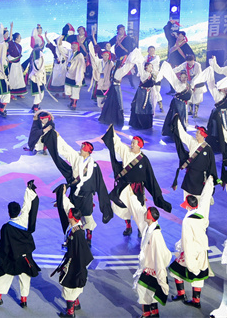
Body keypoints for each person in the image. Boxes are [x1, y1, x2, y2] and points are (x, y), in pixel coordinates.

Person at [42, 128, 113, 244]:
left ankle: (89, 233)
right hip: (75, 193)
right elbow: (66, 149)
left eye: (83, 148)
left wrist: (102, 199)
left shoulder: (94, 166)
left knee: (87, 216)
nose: (80, 149)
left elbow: (99, 183)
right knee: (73, 214)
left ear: (87, 152)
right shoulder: (76, 157)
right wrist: (58, 137)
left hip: (86, 196)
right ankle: (74, 234)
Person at [102, 126, 172, 237]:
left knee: (139, 209)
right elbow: (117, 144)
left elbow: (150, 177)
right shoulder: (126, 151)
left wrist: (158, 195)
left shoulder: (144, 160)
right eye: (131, 142)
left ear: (140, 145)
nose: (131, 145)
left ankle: (141, 228)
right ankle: (128, 226)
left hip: (137, 188)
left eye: (134, 143)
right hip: (125, 187)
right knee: (124, 208)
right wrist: (112, 132)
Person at [0, 180, 40, 307]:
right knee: (25, 279)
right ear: (19, 211)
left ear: (9, 212)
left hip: (12, 257)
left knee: (3, 276)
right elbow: (27, 206)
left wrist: (2, 258)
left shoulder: (6, 228)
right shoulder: (24, 220)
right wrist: (29, 190)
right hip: (25, 257)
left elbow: (3, 246)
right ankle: (24, 301)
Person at [168, 177, 215, 309]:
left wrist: (189, 261)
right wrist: (209, 183)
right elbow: (205, 198)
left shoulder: (187, 221)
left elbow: (187, 241)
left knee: (174, 271)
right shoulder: (202, 213)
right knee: (199, 277)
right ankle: (196, 301)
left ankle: (181, 294)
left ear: (188, 205)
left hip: (191, 251)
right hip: (202, 249)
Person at [53, 183, 94, 317]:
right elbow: (68, 207)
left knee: (69, 284)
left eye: (69, 215)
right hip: (72, 258)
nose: (67, 215)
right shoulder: (74, 225)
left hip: (75, 261)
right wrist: (63, 194)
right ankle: (76, 303)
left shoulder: (77, 234)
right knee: (73, 284)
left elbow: (80, 251)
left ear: (72, 217)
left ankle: (70, 313)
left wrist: (71, 263)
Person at [134, 206, 172, 318]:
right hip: (150, 265)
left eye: (146, 213)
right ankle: (154, 313)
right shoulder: (150, 228)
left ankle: (146, 313)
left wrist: (159, 270)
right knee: (151, 289)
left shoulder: (155, 234)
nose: (144, 214)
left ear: (150, 217)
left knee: (142, 288)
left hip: (152, 267)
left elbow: (159, 253)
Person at [168, 120, 218, 203]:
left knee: (198, 198)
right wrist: (178, 121)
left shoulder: (208, 149)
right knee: (187, 196)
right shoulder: (192, 141)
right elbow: (183, 134)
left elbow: (211, 164)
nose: (196, 134)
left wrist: (212, 177)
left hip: (200, 178)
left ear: (203, 135)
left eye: (198, 132)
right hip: (190, 175)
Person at [130, 60, 160, 129]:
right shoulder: (144, 74)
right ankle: (140, 124)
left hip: (148, 92)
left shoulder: (152, 75)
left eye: (151, 67)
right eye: (149, 67)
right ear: (146, 67)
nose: (151, 68)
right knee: (141, 107)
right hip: (142, 92)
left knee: (148, 106)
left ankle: (147, 123)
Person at [26, 26, 47, 113]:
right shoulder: (38, 52)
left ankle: (35, 106)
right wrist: (39, 73)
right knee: (39, 92)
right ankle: (35, 107)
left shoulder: (37, 52)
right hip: (38, 75)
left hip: (37, 74)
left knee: (39, 91)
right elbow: (37, 65)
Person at [64, 41, 87, 110]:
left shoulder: (80, 55)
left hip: (77, 75)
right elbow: (61, 49)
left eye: (75, 45)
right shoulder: (70, 52)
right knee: (68, 90)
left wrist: (80, 75)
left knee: (75, 90)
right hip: (69, 74)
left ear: (78, 47)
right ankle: (71, 101)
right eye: (72, 45)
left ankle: (74, 104)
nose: (74, 47)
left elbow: (82, 66)